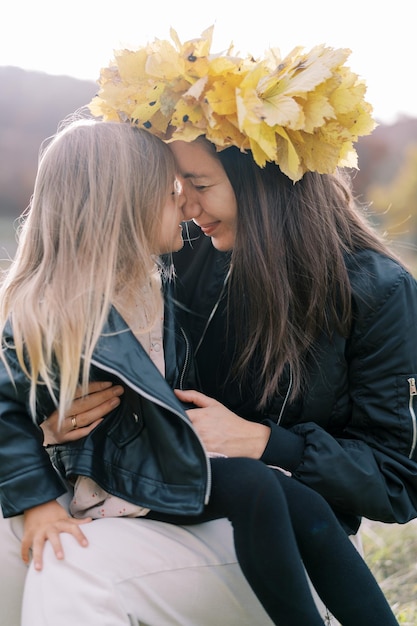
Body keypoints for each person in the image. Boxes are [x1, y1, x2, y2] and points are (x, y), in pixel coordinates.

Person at [2, 26, 417, 625]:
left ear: (264, 185)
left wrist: (266, 442)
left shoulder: (375, 290)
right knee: (16, 539)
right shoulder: (175, 260)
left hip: (285, 530)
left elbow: (397, 484)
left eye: (199, 186)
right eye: (177, 189)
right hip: (162, 502)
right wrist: (55, 419)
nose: (187, 207)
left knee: (73, 567)